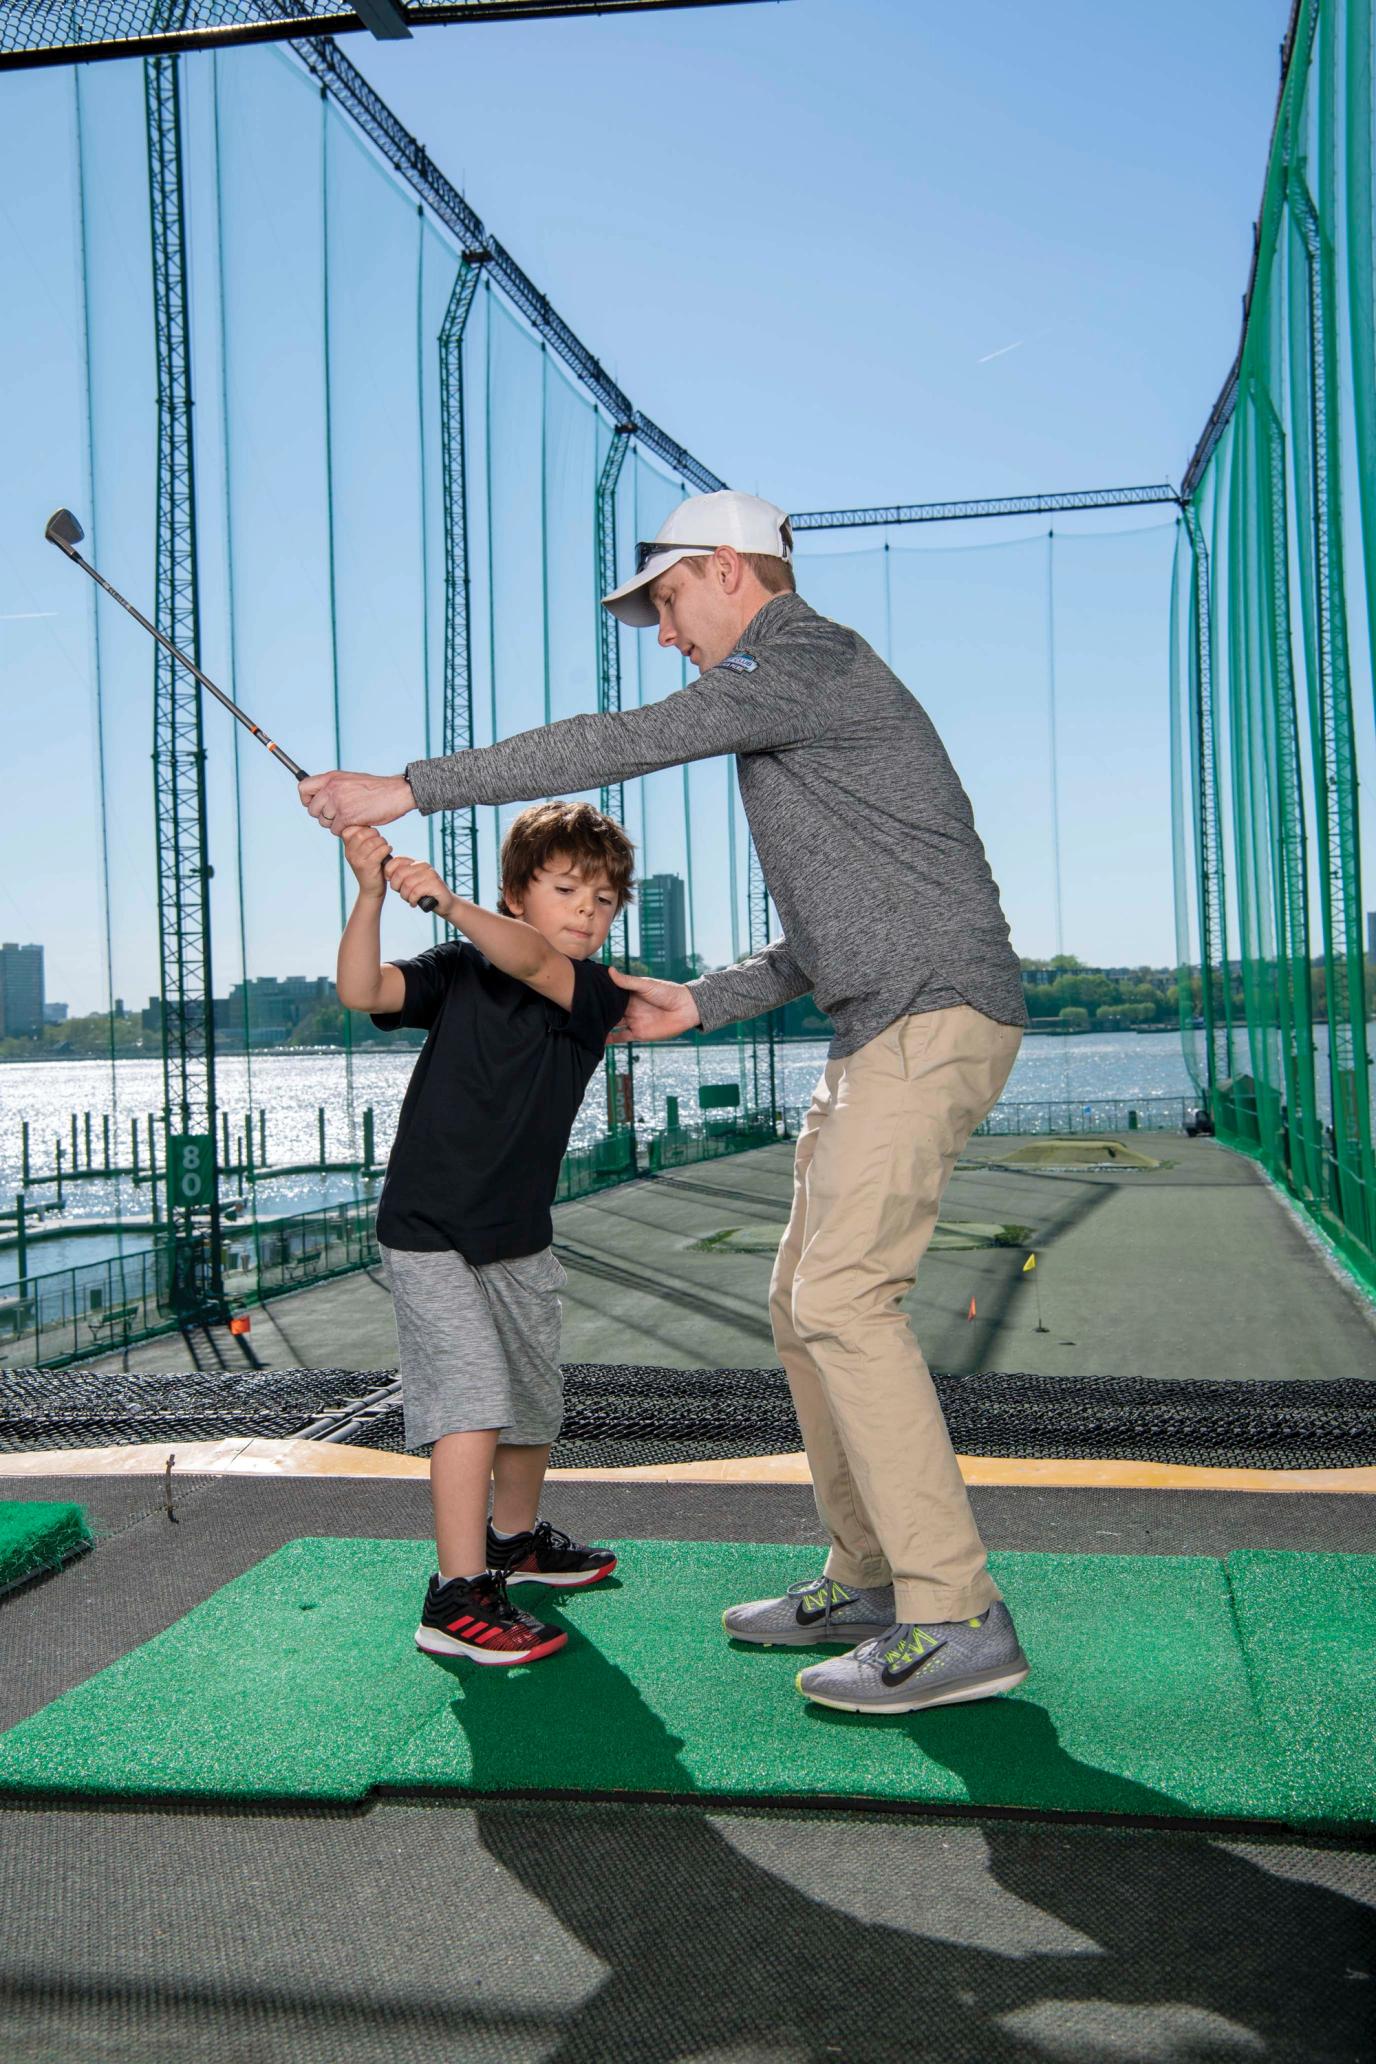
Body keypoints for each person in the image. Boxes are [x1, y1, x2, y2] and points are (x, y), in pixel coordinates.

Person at [305, 488, 1030, 1717]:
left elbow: (617, 742)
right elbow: (820, 938)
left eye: (666, 601)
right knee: (805, 1308)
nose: (663, 631)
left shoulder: (803, 658)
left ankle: (952, 1610)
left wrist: (408, 788)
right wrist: (704, 1002)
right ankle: (867, 1574)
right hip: (878, 1023)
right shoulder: (794, 709)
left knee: (844, 1302)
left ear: (723, 572)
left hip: (929, 1013)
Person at [336, 800, 632, 1665]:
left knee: (534, 1402)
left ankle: (514, 1544)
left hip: (519, 1235)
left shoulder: (592, 994)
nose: (588, 908)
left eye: (606, 898)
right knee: (470, 1398)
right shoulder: (458, 968)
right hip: (427, 1229)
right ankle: (457, 1594)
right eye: (568, 887)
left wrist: (449, 901)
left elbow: (533, 957)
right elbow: (364, 991)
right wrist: (370, 894)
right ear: (517, 891)